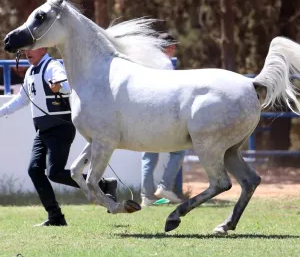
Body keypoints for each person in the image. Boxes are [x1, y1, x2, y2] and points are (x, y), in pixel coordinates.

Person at [0, 48, 117, 226]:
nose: (26, 53)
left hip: (60, 128)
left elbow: (68, 86)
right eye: (25, 50)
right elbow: (21, 100)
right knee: (34, 170)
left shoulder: (52, 66)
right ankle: (56, 217)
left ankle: (103, 185)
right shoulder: (31, 71)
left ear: (43, 49)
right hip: (42, 131)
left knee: (54, 172)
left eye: (31, 49)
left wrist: (59, 86)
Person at [141, 33, 186, 206]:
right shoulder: (166, 64)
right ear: (170, 47)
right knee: (178, 151)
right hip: (162, 115)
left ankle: (146, 197)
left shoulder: (147, 62)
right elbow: (170, 92)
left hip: (144, 114)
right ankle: (165, 187)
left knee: (148, 156)